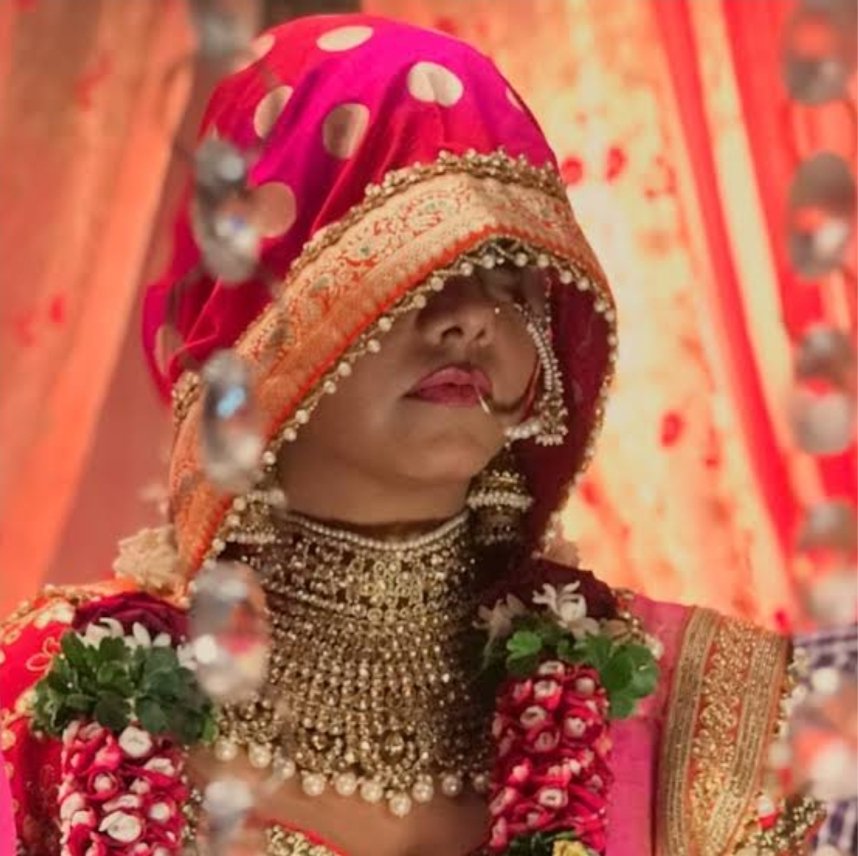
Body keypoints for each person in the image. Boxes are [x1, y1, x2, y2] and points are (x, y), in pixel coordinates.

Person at [0, 14, 824, 856]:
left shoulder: (713, 711)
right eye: (414, 268)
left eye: (510, 277)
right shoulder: (57, 698)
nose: (471, 318)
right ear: (258, 324)